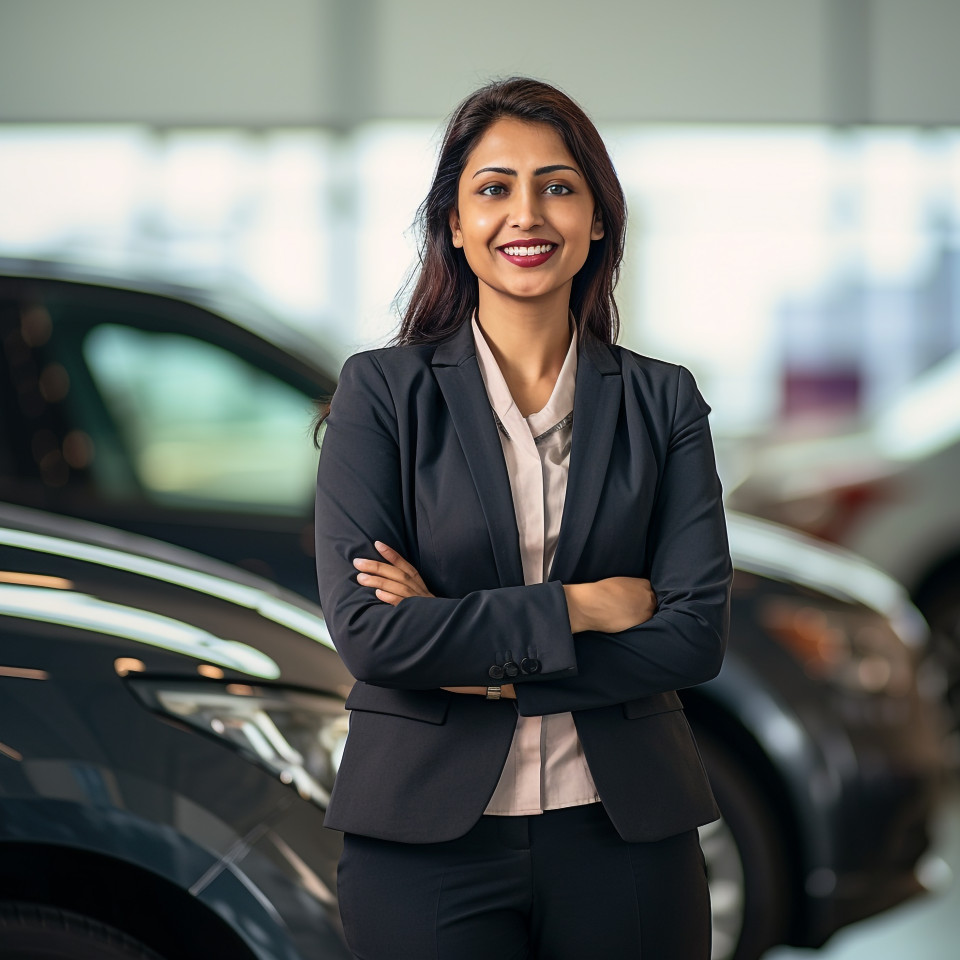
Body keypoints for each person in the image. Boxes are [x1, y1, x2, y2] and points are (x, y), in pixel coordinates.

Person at [314, 77, 732, 960]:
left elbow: (693, 638)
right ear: (455, 223)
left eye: (558, 186)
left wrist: (481, 665)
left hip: (627, 835)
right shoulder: (381, 394)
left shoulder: (664, 401)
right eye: (494, 188)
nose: (526, 215)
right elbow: (374, 639)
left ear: (598, 219)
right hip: (424, 841)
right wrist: (584, 607)